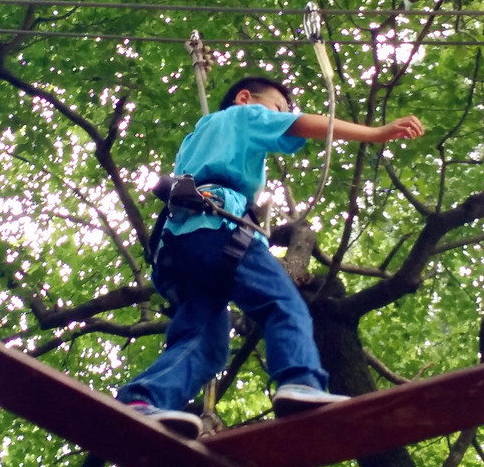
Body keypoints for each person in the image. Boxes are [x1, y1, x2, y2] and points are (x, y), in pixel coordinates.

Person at [116, 75, 424, 437]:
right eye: (276, 107)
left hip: (178, 243)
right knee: (283, 303)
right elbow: (304, 125)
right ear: (245, 98)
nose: (279, 116)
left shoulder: (197, 138)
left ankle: (142, 401)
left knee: (205, 342)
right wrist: (375, 133)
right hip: (220, 227)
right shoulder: (243, 116)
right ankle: (300, 382)